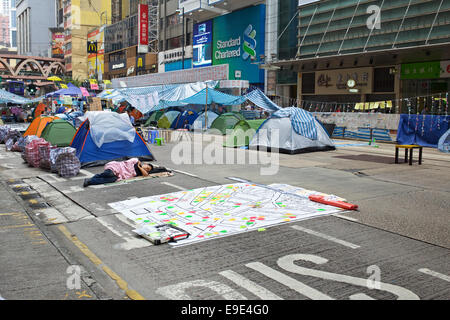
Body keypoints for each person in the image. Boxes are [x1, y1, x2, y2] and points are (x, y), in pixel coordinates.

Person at [83, 158, 169, 187]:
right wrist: (138, 165)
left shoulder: (141, 171)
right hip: (117, 168)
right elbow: (127, 163)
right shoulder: (136, 160)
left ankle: (90, 181)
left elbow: (146, 175)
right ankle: (92, 179)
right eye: (147, 167)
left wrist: (140, 168)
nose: (146, 169)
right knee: (108, 174)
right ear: (145, 164)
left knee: (112, 179)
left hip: (120, 175)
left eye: (148, 169)